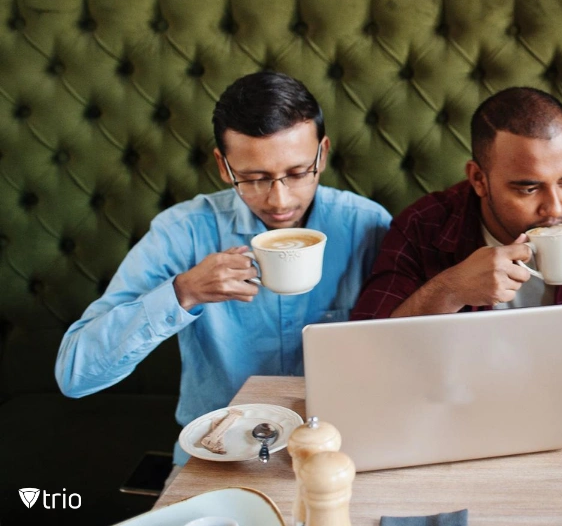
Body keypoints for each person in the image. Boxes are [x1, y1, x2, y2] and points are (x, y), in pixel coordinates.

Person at [55, 72, 392, 463]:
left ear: (324, 152)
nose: (279, 199)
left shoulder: (366, 226)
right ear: (223, 166)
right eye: (253, 178)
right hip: (218, 454)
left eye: (299, 173)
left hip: (340, 446)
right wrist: (182, 293)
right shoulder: (182, 232)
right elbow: (75, 375)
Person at [351, 87, 562, 380]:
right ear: (478, 179)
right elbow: (363, 352)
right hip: (464, 410)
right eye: (529, 188)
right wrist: (450, 290)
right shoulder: (423, 226)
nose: (555, 208)